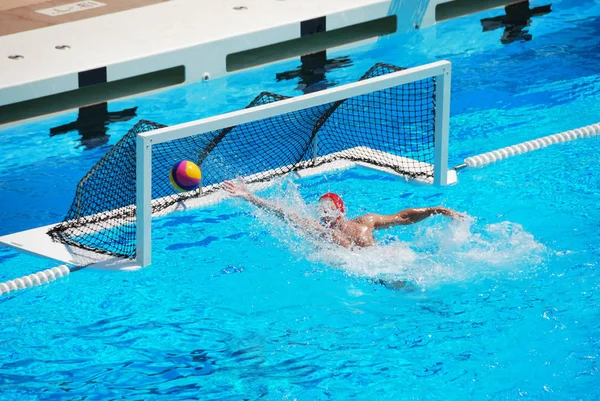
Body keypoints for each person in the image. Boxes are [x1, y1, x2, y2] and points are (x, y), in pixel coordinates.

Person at [223, 180, 464, 249]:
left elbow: (403, 217)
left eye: (326, 208)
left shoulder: (355, 225)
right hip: (387, 264)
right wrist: (250, 196)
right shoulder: (358, 225)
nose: (323, 212)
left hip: (382, 267)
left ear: (339, 211)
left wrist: (435, 210)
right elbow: (283, 213)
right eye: (322, 210)